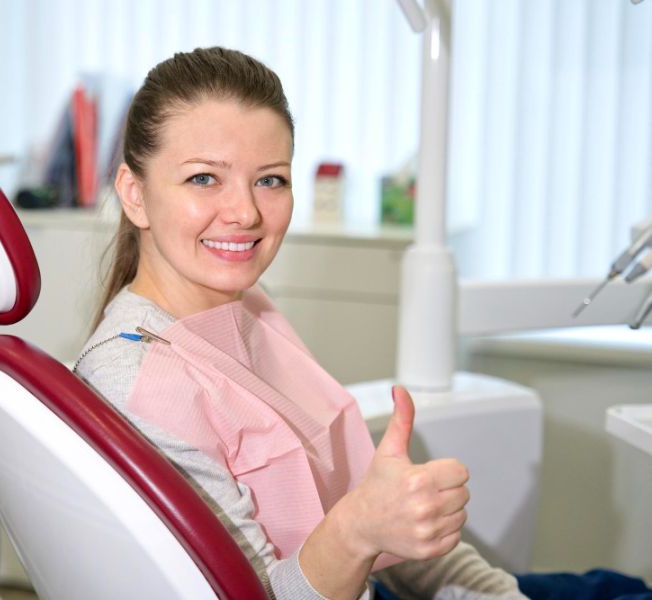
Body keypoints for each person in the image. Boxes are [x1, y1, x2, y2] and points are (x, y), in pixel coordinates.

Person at [74, 46, 524, 600]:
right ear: (134, 194)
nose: (246, 213)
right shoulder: (136, 379)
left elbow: (373, 505)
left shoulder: (247, 305)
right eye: (203, 178)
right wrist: (356, 531)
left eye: (270, 180)